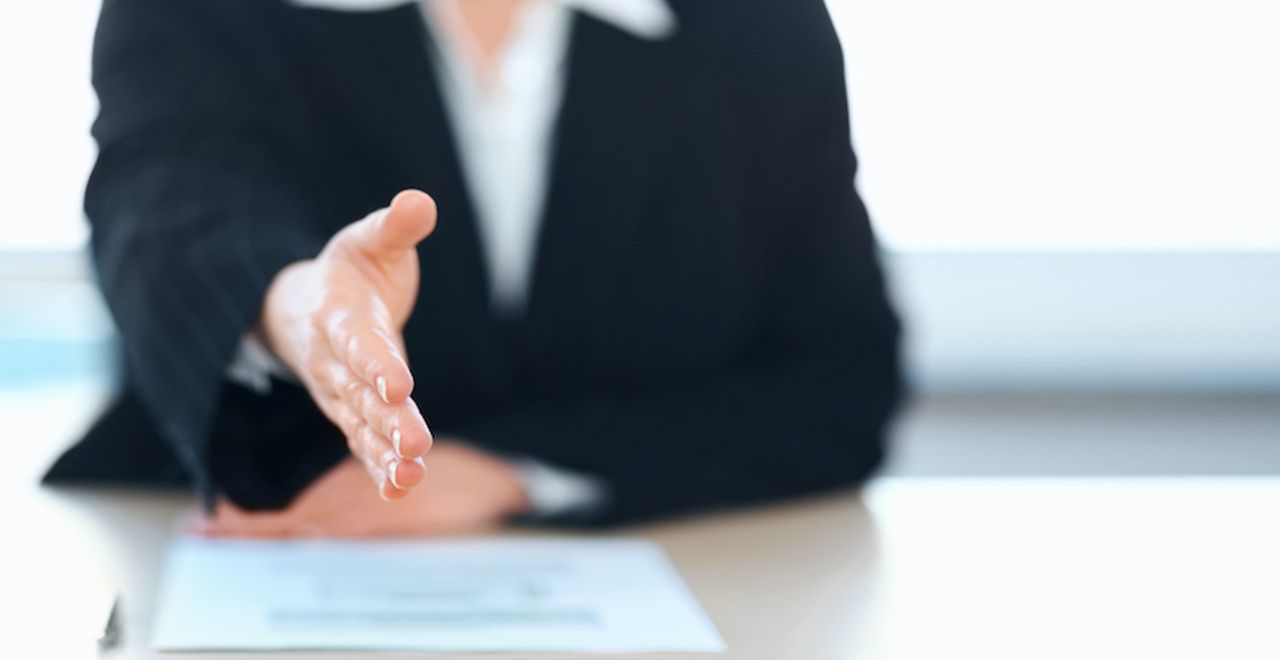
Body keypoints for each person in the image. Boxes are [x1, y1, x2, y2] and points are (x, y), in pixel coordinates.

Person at [44, 0, 903, 535]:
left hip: (679, 570)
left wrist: (513, 472)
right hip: (245, 541)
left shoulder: (760, 25)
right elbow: (167, 207)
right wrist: (300, 311)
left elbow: (840, 379)